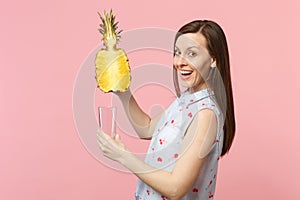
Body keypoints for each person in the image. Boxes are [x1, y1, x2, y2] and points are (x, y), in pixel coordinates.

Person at [97, 20, 236, 200]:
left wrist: (122, 156)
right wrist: (123, 93)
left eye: (192, 54)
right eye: (177, 53)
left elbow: (176, 188)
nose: (179, 62)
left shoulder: (205, 115)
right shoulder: (186, 100)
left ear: (213, 60)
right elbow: (146, 128)